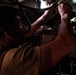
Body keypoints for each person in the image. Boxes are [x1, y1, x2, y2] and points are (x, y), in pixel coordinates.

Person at [0, 3, 73, 75]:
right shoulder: (12, 60)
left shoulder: (4, 46)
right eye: (19, 24)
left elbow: (23, 33)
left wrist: (45, 17)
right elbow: (65, 44)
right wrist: (64, 15)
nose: (25, 27)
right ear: (8, 34)